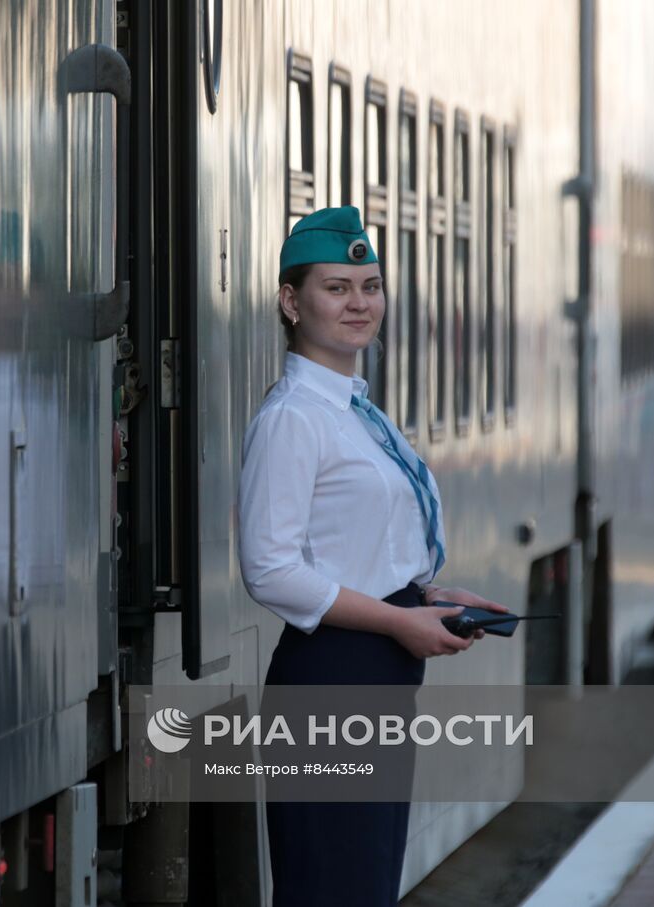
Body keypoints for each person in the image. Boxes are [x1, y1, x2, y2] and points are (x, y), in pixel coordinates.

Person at [236, 206, 507, 907]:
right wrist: (395, 621)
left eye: (370, 284)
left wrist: (431, 596)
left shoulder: (356, 409)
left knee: (364, 885)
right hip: (331, 675)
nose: (359, 302)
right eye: (336, 287)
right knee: (335, 886)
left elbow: (357, 550)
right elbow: (270, 567)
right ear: (291, 302)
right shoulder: (295, 417)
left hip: (376, 673)